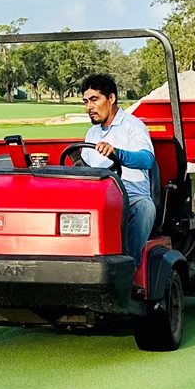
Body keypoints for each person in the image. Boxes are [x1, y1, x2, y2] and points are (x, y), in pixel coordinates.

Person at [79, 72, 158, 259]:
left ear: (111, 98)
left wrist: (118, 153)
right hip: (100, 196)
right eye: (86, 101)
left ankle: (129, 266)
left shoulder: (133, 126)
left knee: (145, 209)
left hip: (130, 195)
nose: (89, 107)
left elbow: (147, 159)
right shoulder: (92, 133)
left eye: (94, 100)